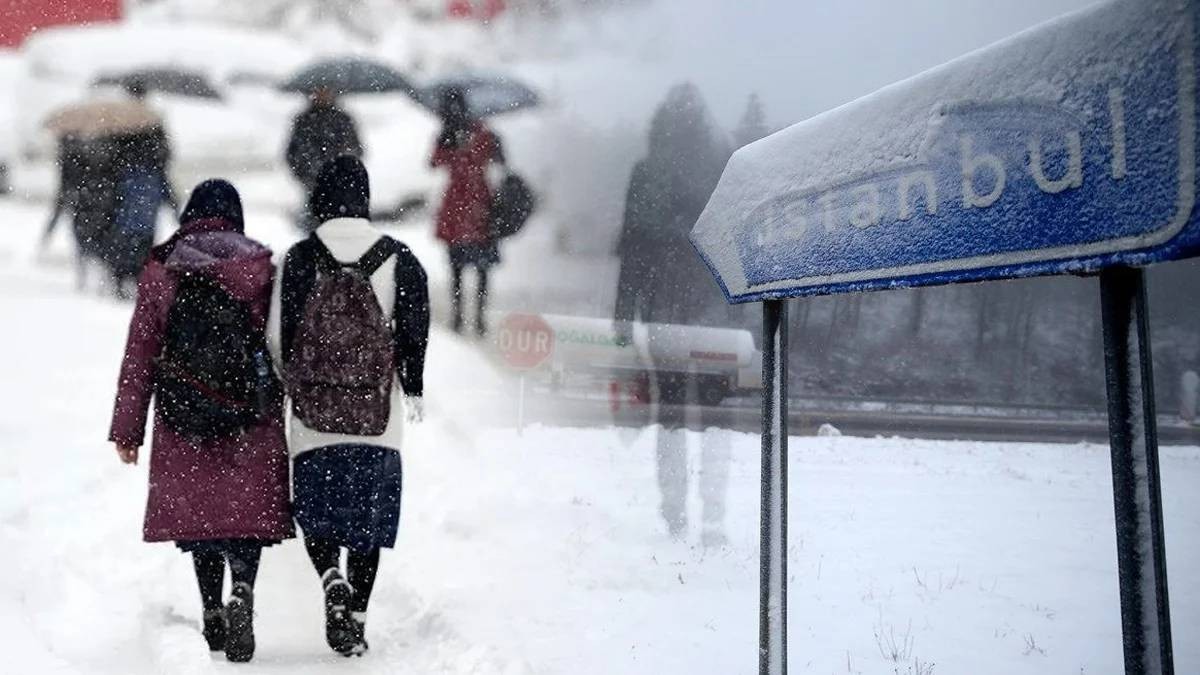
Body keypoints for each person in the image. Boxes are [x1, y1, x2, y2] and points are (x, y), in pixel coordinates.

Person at [109, 180, 294, 662]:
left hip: (182, 412)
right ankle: (243, 591)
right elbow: (279, 346)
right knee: (244, 516)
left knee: (203, 516)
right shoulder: (259, 267)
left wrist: (128, 430)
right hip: (249, 415)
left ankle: (212, 608)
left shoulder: (163, 268)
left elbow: (140, 355)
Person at [269, 156, 429, 657]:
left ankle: (330, 577)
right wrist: (413, 384)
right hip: (377, 417)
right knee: (367, 522)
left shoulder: (299, 258)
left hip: (315, 417)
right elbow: (415, 333)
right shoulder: (399, 257)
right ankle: (356, 615)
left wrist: (291, 385)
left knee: (317, 515)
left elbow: (278, 338)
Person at [613, 83, 739, 548]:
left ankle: (676, 514)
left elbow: (632, 247)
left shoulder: (648, 173)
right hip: (708, 314)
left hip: (665, 309)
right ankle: (710, 516)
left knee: (671, 416)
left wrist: (625, 313)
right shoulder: (717, 171)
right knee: (712, 418)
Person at [430, 87, 504, 336]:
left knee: (459, 267)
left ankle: (461, 316)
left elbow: (435, 162)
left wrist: (455, 146)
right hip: (478, 204)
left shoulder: (459, 133)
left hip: (461, 205)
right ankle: (475, 317)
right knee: (476, 268)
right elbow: (498, 160)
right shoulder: (478, 132)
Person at [107, 82, 179, 298]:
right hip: (147, 186)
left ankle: (123, 276)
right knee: (144, 235)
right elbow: (165, 154)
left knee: (126, 233)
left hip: (128, 186)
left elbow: (112, 158)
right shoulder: (152, 121)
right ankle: (138, 276)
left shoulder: (119, 121)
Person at [286, 87, 363, 229]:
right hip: (312, 183)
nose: (322, 95)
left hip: (340, 186)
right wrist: (305, 174)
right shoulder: (304, 120)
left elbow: (356, 149)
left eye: (326, 90)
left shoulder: (342, 119)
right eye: (317, 91)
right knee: (312, 224)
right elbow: (292, 153)